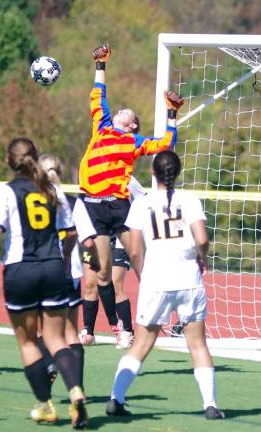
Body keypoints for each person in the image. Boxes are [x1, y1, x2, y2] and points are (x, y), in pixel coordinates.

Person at [0, 138, 91, 429]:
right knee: (56, 339)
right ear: (36, 158)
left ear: (8, 160)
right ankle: (76, 391)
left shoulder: (4, 191)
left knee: (28, 342)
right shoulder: (52, 190)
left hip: (21, 270)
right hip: (53, 268)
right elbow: (69, 234)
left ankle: (45, 406)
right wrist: (65, 261)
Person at [78, 42, 184, 349]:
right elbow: (99, 95)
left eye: (128, 113)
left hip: (119, 207)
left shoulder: (135, 141)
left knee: (141, 261)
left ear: (133, 124)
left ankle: (166, 310)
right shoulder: (102, 127)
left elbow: (164, 143)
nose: (122, 110)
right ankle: (119, 328)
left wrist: (172, 113)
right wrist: (100, 65)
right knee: (101, 276)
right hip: (94, 208)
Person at [106, 150, 225, 421]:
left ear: (153, 173)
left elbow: (135, 251)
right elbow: (202, 238)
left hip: (156, 280)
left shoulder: (142, 204)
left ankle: (116, 399)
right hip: (187, 279)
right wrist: (200, 258)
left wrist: (143, 275)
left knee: (141, 345)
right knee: (198, 345)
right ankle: (210, 405)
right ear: (178, 172)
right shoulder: (189, 199)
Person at [38, 153, 99, 389]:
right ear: (60, 173)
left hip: (41, 269)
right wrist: (92, 260)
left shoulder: (32, 199)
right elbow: (89, 242)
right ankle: (77, 389)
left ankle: (47, 373)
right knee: (71, 333)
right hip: (69, 272)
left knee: (44, 330)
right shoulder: (73, 202)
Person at [80, 176, 147, 349]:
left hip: (120, 233)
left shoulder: (126, 178)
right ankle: (88, 331)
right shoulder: (93, 177)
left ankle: (127, 332)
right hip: (99, 232)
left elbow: (143, 198)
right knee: (90, 283)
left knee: (116, 283)